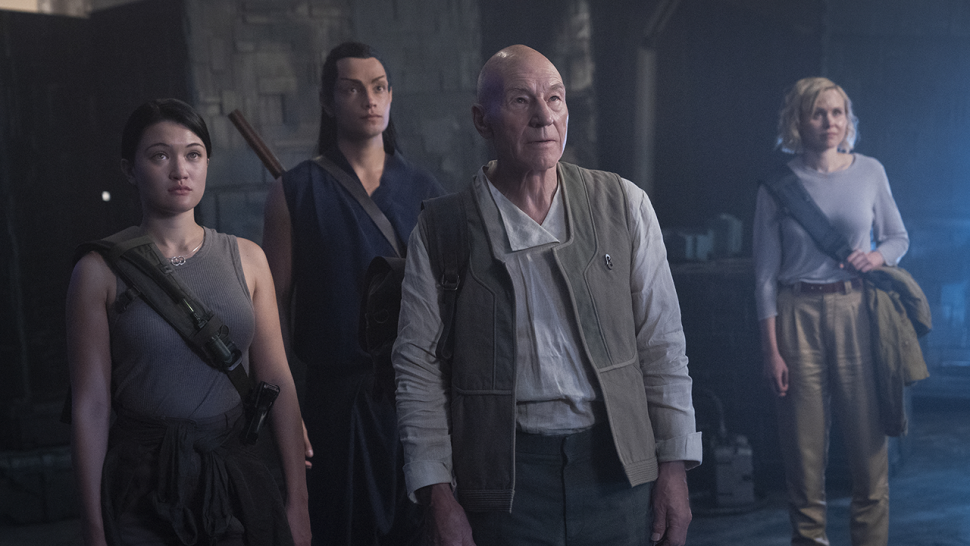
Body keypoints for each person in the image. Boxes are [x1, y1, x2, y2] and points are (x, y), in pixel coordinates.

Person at [392, 45, 702, 546]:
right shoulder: (443, 228)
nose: (543, 117)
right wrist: (437, 494)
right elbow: (417, 369)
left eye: (554, 99)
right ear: (482, 120)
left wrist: (674, 465)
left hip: (617, 467)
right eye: (521, 100)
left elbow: (662, 343)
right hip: (501, 480)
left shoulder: (622, 204)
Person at [67, 98, 311, 546]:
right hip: (143, 484)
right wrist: (94, 526)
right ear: (129, 169)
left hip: (234, 477)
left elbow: (277, 380)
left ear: (206, 164)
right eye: (160, 155)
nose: (180, 170)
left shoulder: (248, 259)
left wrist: (298, 503)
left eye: (193, 154)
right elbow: (91, 406)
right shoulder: (98, 272)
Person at [262, 42, 444, 546]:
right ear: (327, 101)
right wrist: (285, 408)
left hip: (414, 396)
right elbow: (271, 310)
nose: (370, 99)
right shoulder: (294, 191)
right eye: (353, 89)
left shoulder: (426, 188)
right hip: (333, 404)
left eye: (380, 87)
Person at [754, 77, 909, 546]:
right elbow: (764, 276)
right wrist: (771, 351)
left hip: (856, 312)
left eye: (837, 112)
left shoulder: (870, 172)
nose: (829, 122)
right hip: (795, 315)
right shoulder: (777, 186)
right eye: (818, 113)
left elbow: (898, 238)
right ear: (798, 121)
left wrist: (876, 257)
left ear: (848, 120)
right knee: (803, 460)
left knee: (869, 455)